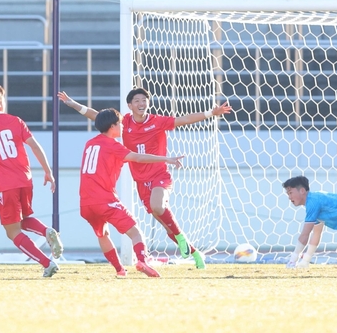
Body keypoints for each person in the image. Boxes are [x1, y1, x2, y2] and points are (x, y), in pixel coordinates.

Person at [58, 88, 231, 269]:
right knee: (164, 223)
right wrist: (73, 104)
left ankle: (180, 239)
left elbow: (184, 119)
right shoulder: (123, 123)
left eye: (144, 100)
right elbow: (97, 116)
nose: (142, 104)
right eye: (137, 100)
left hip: (159, 176)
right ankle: (194, 252)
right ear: (130, 105)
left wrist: (212, 112)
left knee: (158, 206)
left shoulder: (158, 121)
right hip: (141, 181)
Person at [0, 83, 62, 278]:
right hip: (25, 179)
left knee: (12, 231)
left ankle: (47, 263)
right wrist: (48, 172)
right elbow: (35, 146)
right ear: (0, 102)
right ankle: (46, 231)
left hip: (4, 184)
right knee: (23, 219)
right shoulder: (15, 121)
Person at [79, 108, 184, 278]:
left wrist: (75, 105)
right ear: (113, 126)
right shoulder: (113, 145)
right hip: (105, 200)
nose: (122, 127)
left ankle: (120, 270)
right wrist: (167, 159)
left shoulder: (90, 143)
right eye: (120, 124)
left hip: (85, 203)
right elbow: (139, 158)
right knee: (136, 233)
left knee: (102, 234)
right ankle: (142, 260)